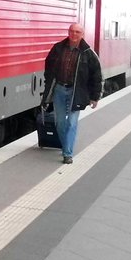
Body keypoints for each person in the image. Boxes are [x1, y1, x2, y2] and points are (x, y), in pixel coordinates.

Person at [42, 23, 102, 165]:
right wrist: (48, 84)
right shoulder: (58, 48)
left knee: (71, 122)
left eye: (77, 32)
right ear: (68, 32)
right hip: (59, 90)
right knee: (60, 123)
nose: (74, 34)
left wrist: (95, 97)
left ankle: (67, 153)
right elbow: (48, 67)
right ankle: (66, 146)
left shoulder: (88, 53)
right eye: (72, 31)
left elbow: (96, 75)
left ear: (82, 34)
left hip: (77, 92)